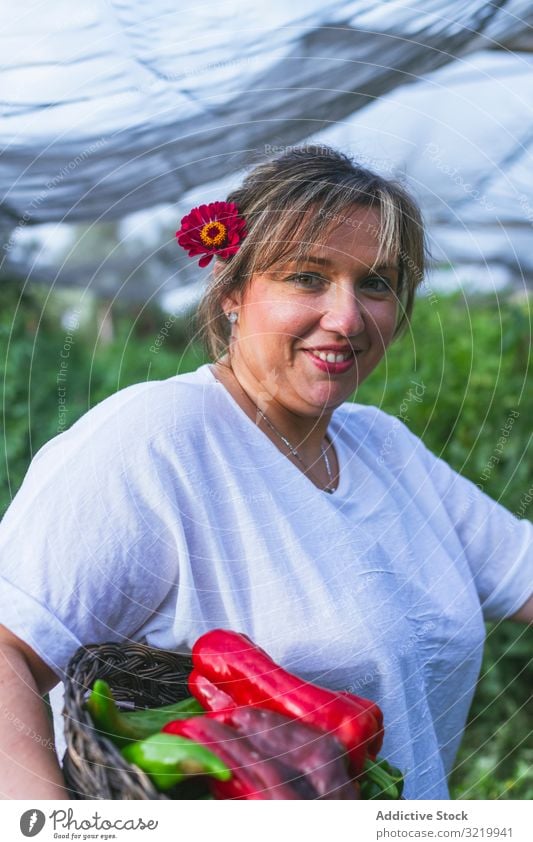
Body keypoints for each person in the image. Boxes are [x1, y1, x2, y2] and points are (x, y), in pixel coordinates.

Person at [0, 145, 531, 801]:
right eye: (307, 277)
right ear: (231, 291)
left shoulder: (381, 445)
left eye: (376, 283)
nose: (345, 317)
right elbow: (8, 651)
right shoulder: (159, 435)